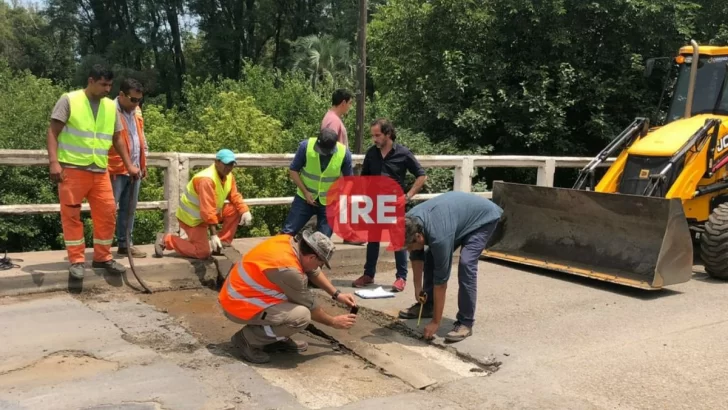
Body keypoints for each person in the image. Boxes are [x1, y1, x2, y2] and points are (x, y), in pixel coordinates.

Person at [46, 64, 140, 280]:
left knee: (107, 213)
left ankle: (103, 257)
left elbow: (117, 138)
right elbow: (53, 131)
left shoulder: (110, 107)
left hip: (100, 170)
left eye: (110, 85)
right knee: (72, 216)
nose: (107, 89)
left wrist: (129, 165)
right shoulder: (69, 100)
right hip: (72, 169)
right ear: (91, 81)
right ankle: (77, 261)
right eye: (103, 84)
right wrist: (53, 162)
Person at [219, 230, 358, 364]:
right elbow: (311, 305)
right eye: (320, 263)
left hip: (242, 293)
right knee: (301, 316)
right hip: (237, 304)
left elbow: (313, 271)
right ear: (311, 257)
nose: (319, 267)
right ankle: (248, 339)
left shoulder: (289, 243)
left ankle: (272, 339)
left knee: (292, 300)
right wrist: (333, 322)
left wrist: (337, 294)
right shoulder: (289, 270)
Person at [400, 191, 503, 343]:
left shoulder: (438, 237)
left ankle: (465, 322)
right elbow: (417, 256)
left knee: (466, 263)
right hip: (456, 217)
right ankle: (428, 305)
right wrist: (418, 289)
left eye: (409, 246)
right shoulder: (410, 221)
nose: (409, 250)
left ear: (419, 236)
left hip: (482, 218)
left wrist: (436, 322)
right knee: (430, 256)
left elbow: (441, 283)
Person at [351, 119, 427, 292]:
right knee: (373, 240)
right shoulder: (371, 153)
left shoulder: (403, 153)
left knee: (398, 240)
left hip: (395, 204)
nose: (374, 139)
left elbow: (421, 175)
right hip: (374, 204)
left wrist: (407, 196)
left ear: (388, 134)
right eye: (372, 135)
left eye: (377, 135)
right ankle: (368, 275)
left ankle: (401, 278)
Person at [154, 149, 253, 259]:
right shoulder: (206, 180)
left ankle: (222, 244)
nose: (228, 168)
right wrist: (213, 235)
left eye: (231, 164)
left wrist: (245, 210)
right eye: (226, 164)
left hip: (208, 215)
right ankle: (167, 239)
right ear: (216, 162)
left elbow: (234, 195)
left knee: (235, 209)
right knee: (202, 253)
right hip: (192, 219)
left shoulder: (229, 176)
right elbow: (207, 211)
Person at [280, 128, 353, 238]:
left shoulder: (344, 153)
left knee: (322, 242)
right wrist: (305, 192)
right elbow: (293, 170)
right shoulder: (306, 147)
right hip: (304, 198)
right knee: (287, 232)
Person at [109, 78, 148, 258]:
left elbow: (140, 138)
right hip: (114, 168)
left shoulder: (136, 111)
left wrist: (142, 163)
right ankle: (102, 251)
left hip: (134, 169)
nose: (136, 103)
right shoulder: (109, 110)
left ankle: (125, 245)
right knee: (108, 210)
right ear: (121, 95)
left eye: (139, 100)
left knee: (129, 208)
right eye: (133, 99)